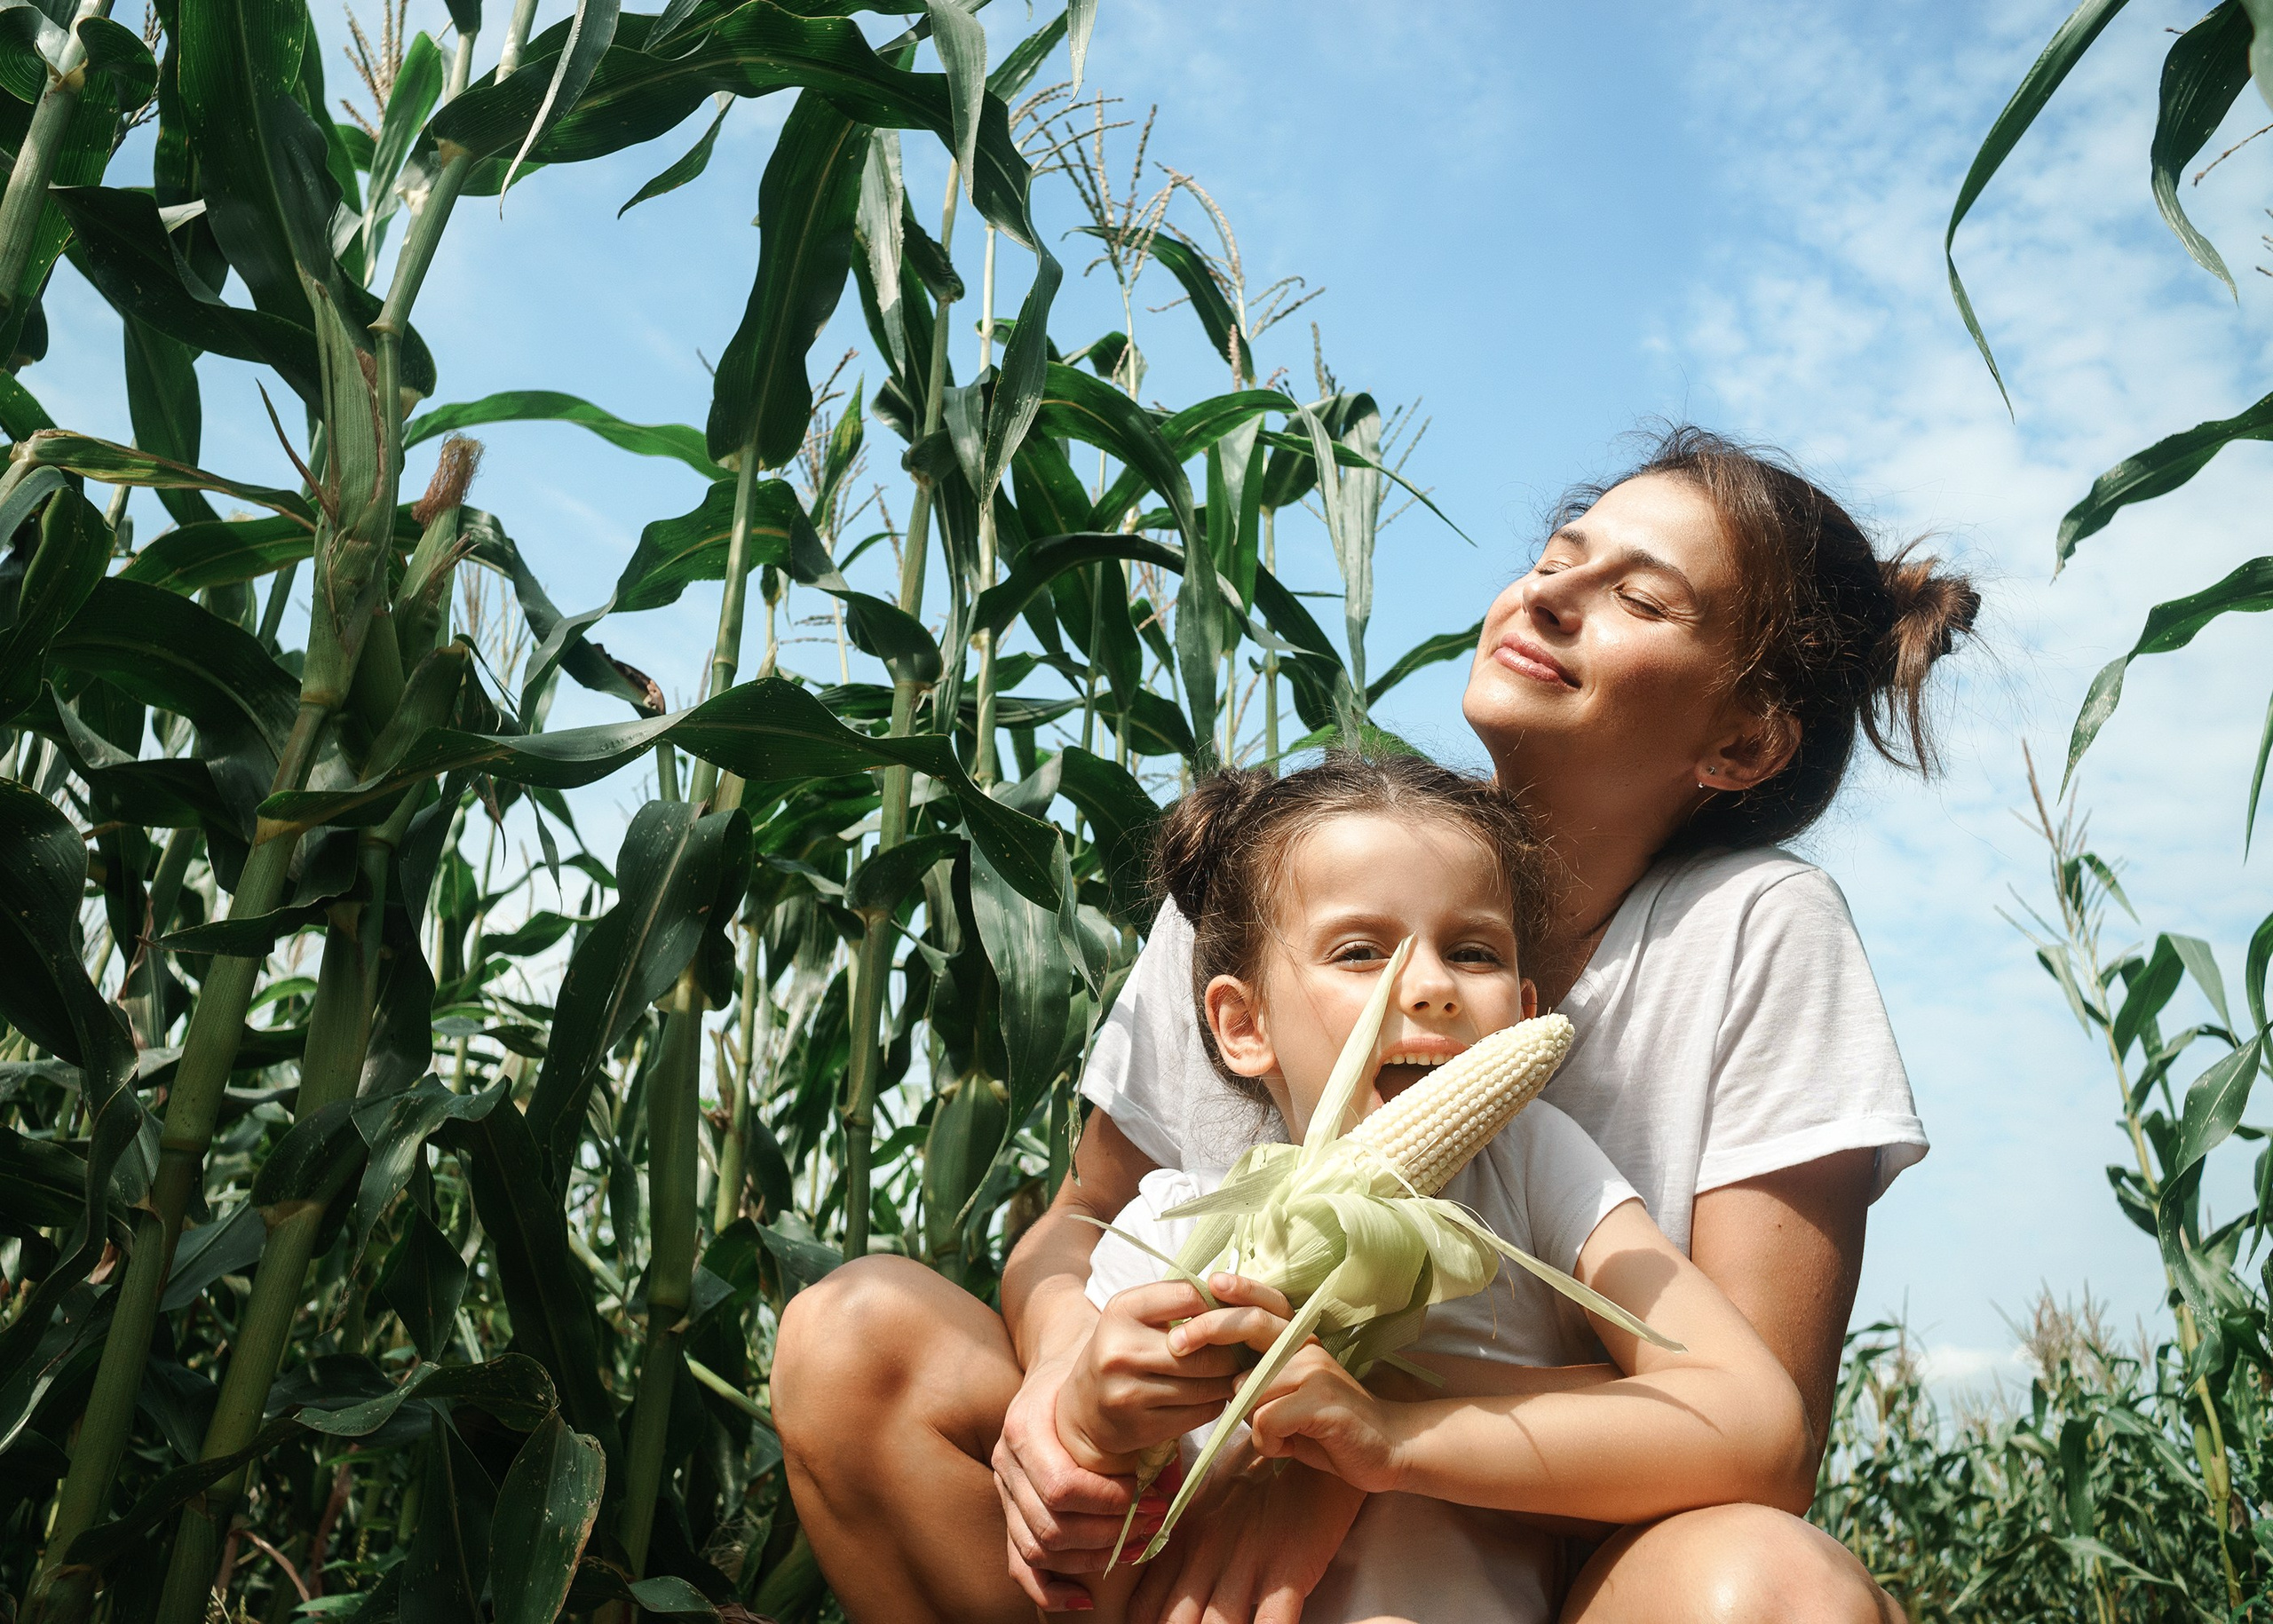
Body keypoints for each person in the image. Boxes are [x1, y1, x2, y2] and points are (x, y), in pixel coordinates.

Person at [773, 424, 1975, 1622]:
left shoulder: (1755, 933)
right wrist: (1063, 1378)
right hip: (1178, 1539)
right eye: (1557, 556)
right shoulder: (1270, 872)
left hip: (1536, 1567)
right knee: (851, 1335)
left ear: (1744, 738)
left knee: (1776, 1589)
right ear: (1239, 1020)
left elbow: (1759, 1432)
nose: (1549, 595)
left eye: (1639, 599)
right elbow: (1086, 1217)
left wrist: (1353, 1435)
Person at [1065, 754, 1815, 1624]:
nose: (1430, 988)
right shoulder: (1166, 1229)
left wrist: (1393, 1433)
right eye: (1359, 952)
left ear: (1525, 1010)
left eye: (1473, 952)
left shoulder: (1531, 1165)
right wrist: (1095, 1432)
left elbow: (1763, 1431)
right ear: (1242, 1022)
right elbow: (1085, 1591)